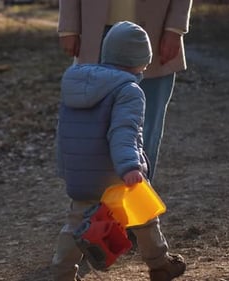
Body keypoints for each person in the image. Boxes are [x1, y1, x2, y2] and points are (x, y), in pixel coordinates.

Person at [52, 21, 186, 281]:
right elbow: (123, 132)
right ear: (140, 61)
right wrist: (130, 167)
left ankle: (62, 274)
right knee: (144, 214)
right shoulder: (129, 91)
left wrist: (65, 169)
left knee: (76, 224)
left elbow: (65, 131)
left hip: (80, 173)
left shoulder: (76, 83)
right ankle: (160, 264)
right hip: (116, 171)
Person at [57, 0, 192, 181]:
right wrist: (68, 26)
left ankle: (139, 199)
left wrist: (175, 27)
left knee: (146, 128)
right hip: (94, 29)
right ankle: (97, 202)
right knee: (91, 129)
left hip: (154, 30)